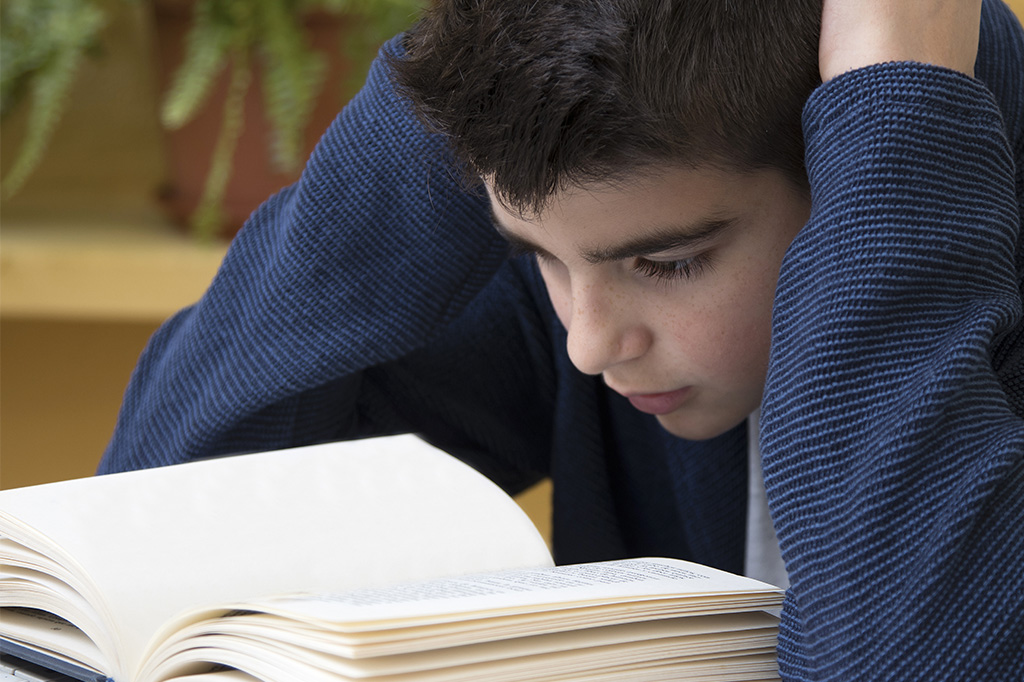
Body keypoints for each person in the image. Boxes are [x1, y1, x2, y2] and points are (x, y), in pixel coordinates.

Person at [101, 0, 1023, 678]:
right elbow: (154, 532)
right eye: (538, 256)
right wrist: (468, 52)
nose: (588, 342)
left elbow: (906, 660)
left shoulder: (898, 170)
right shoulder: (593, 279)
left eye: (668, 264)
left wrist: (898, 116)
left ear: (857, 165)